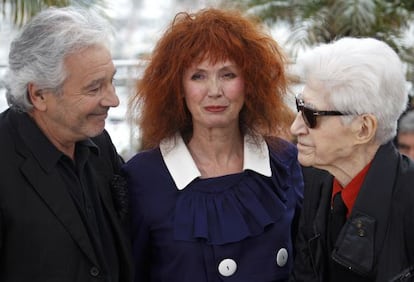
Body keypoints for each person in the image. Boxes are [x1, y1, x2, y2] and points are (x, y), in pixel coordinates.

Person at [122, 8, 304, 282]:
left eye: (228, 74)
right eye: (198, 76)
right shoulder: (144, 176)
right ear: (177, 87)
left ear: (249, 82)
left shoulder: (282, 161)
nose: (214, 91)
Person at [0, 7, 134, 282]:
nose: (113, 100)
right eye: (94, 88)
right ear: (38, 95)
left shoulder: (98, 142)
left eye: (112, 82)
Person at [289, 37, 414, 281]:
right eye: (299, 106)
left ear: (363, 128)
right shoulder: (314, 181)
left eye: (311, 114)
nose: (295, 127)